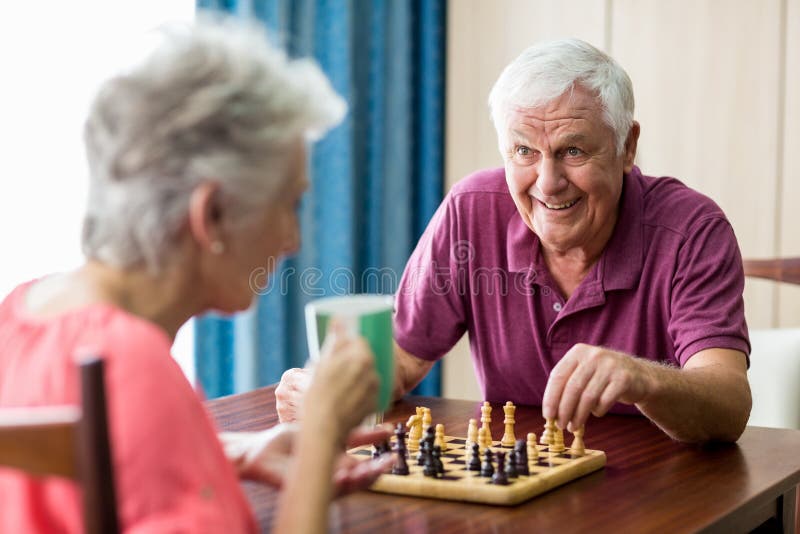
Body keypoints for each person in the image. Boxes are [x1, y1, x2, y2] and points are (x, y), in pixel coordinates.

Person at [0, 16, 392, 534]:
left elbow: (101, 459)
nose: (293, 239)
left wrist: (229, 451)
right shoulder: (130, 365)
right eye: (288, 204)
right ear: (211, 215)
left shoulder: (20, 311)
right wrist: (320, 438)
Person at [277, 39, 752, 444]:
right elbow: (400, 361)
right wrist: (326, 390)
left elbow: (728, 406)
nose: (548, 183)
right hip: (518, 484)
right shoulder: (470, 212)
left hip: (662, 491)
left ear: (626, 146)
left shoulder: (692, 231)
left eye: (572, 150)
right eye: (524, 150)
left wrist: (643, 378)